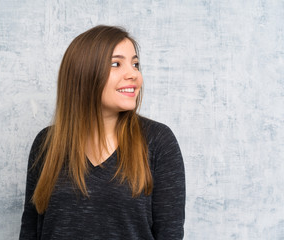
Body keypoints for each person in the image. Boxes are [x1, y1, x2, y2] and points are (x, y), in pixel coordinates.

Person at [19, 25, 185, 240]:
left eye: (135, 64)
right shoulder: (46, 144)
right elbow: (31, 230)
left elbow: (169, 234)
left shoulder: (158, 141)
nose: (133, 74)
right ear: (84, 73)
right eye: (116, 64)